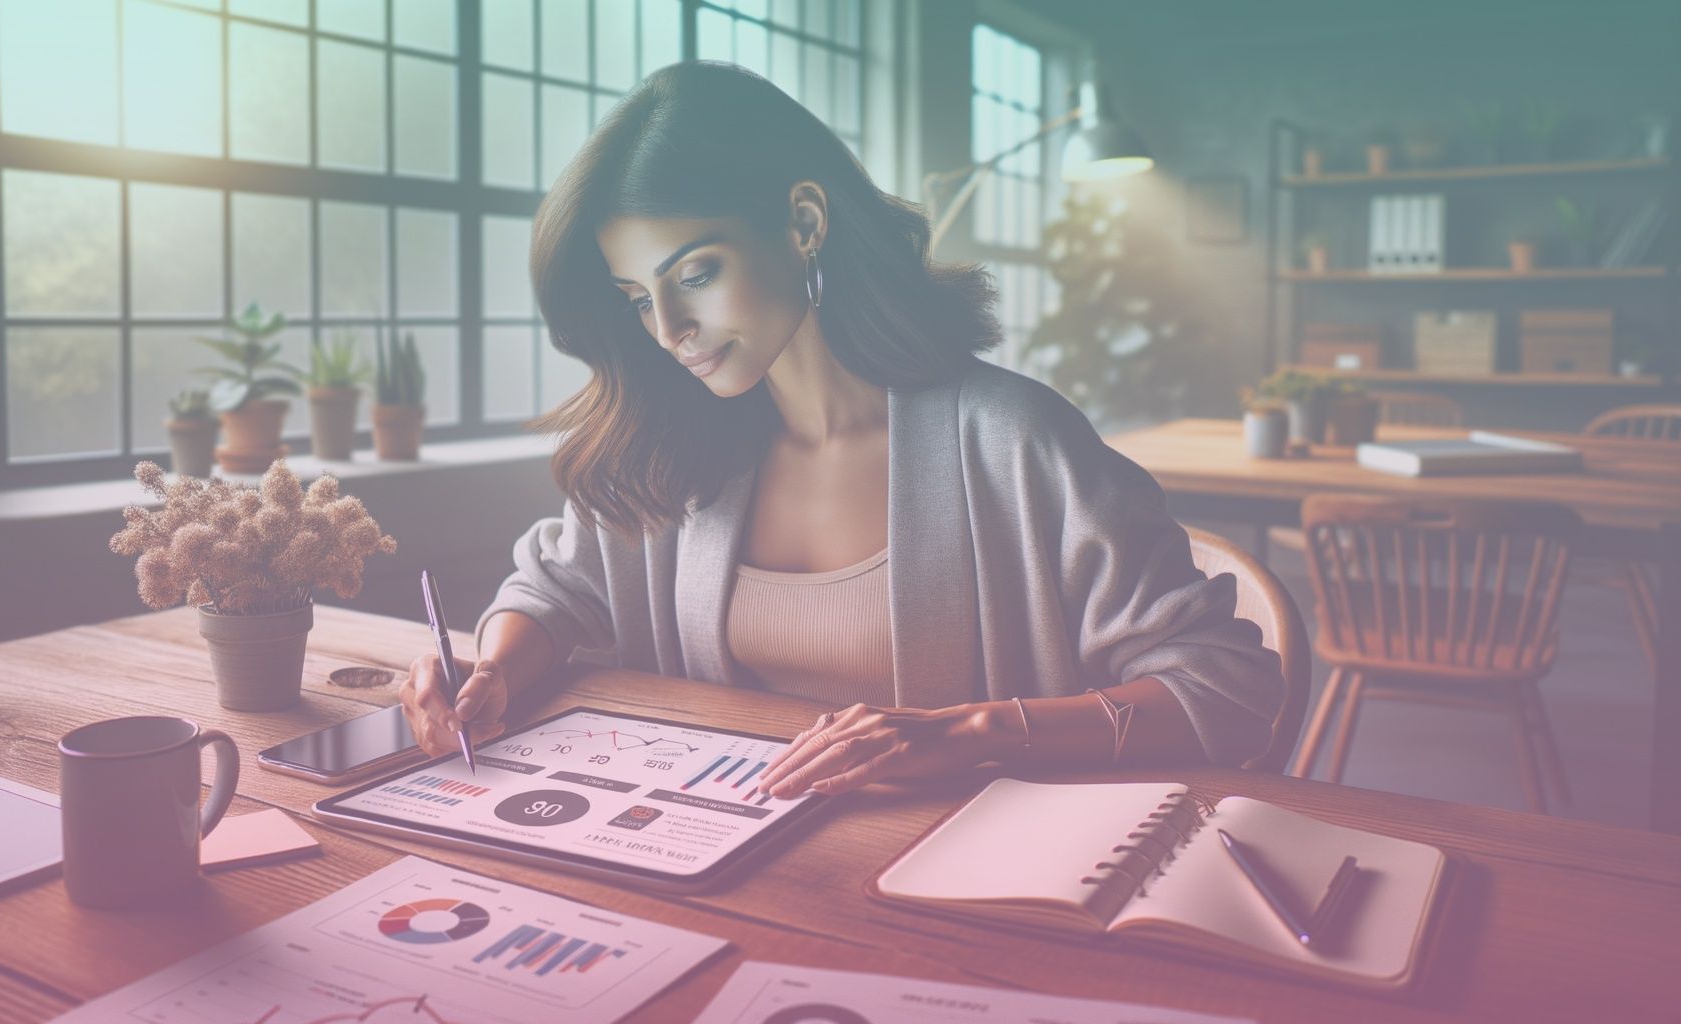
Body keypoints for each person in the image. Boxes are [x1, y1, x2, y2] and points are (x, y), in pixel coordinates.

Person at [400, 60, 1282, 800]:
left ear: (804, 223)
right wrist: (494, 674)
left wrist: (970, 733)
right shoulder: (672, 448)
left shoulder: (1017, 443)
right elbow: (554, 592)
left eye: (695, 274)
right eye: (638, 300)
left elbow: (1228, 689)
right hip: (737, 857)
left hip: (972, 881)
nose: (669, 328)